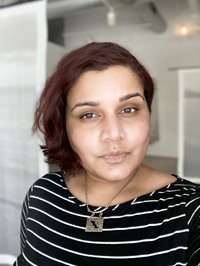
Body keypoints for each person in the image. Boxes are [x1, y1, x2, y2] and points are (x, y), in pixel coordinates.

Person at [14, 42, 200, 266]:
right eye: (89, 115)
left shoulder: (191, 211)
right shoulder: (42, 195)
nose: (113, 134)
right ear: (64, 126)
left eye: (129, 109)